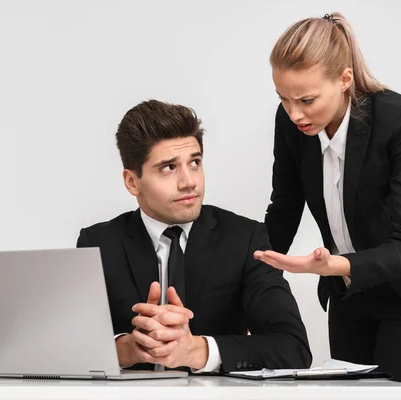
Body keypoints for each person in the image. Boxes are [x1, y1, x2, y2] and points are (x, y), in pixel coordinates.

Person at [253, 13, 401, 385]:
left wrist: (336, 265)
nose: (294, 113)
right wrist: (250, 272)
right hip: (350, 291)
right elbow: (284, 208)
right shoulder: (290, 123)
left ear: (344, 79)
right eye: (283, 99)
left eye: (307, 99)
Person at [77, 99, 311, 373]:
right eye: (168, 167)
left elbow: (294, 348)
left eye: (195, 162)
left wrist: (197, 351)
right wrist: (126, 349)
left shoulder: (245, 238)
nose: (189, 181)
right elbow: (71, 345)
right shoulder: (99, 244)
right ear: (132, 181)